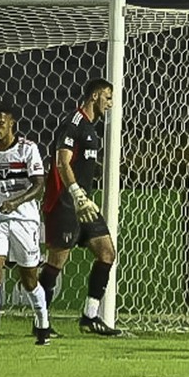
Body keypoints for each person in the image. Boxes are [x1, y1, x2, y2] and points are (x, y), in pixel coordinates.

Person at [38, 78, 122, 339]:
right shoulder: (73, 123)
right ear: (96, 95)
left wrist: (84, 198)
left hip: (85, 204)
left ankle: (90, 316)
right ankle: (40, 321)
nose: (110, 103)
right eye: (108, 97)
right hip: (66, 202)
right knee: (57, 262)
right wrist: (76, 195)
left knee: (107, 253)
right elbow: (62, 163)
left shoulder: (90, 128)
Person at [0, 102, 51, 349]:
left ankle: (43, 323)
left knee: (29, 279)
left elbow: (39, 184)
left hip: (24, 219)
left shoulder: (28, 149)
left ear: (11, 123)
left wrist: (15, 202)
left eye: (1, 122)